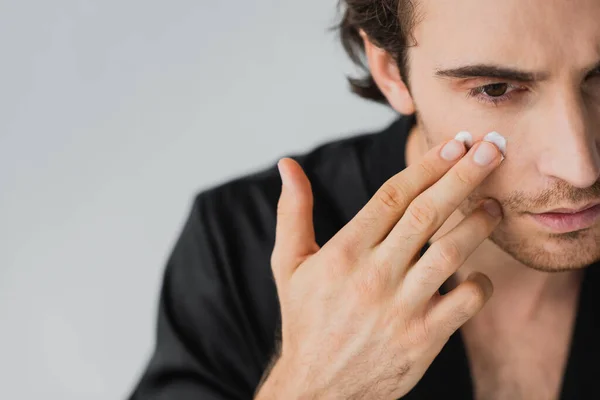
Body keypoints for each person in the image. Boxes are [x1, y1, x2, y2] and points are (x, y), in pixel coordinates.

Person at [128, 0, 600, 398]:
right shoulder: (238, 240)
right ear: (391, 73)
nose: (581, 166)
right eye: (495, 90)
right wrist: (311, 386)